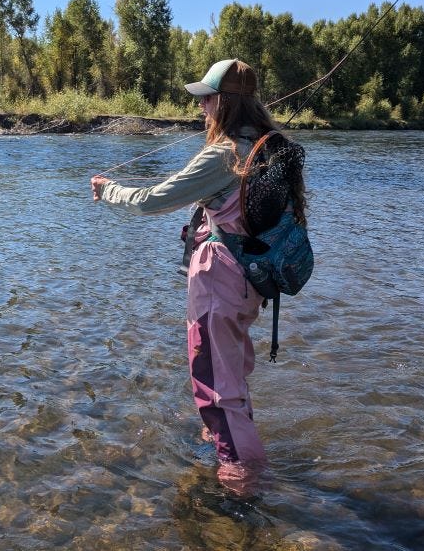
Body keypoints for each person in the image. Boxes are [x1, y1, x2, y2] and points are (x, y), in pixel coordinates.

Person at [90, 59, 306, 493]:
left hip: (220, 279)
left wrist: (108, 190)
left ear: (224, 103)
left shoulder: (223, 154)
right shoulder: (271, 146)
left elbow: (154, 200)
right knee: (232, 369)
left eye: (207, 98)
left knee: (211, 375)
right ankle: (226, 435)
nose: (201, 106)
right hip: (251, 280)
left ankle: (242, 475)